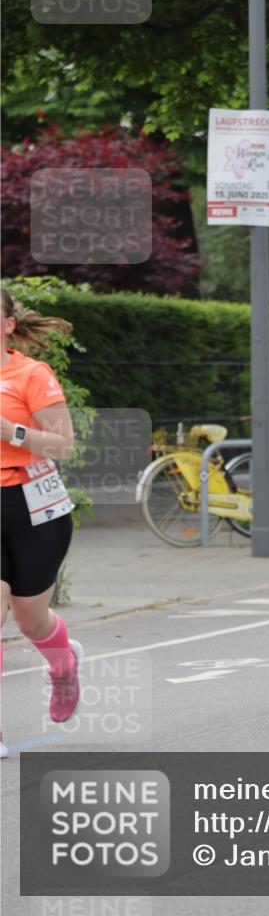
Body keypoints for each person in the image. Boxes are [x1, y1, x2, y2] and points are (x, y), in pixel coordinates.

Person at [0, 290, 82, 759]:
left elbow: (63, 444)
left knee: (30, 618)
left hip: (32, 503)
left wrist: (10, 431)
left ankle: (63, 665)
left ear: (9, 325)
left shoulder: (31, 374)